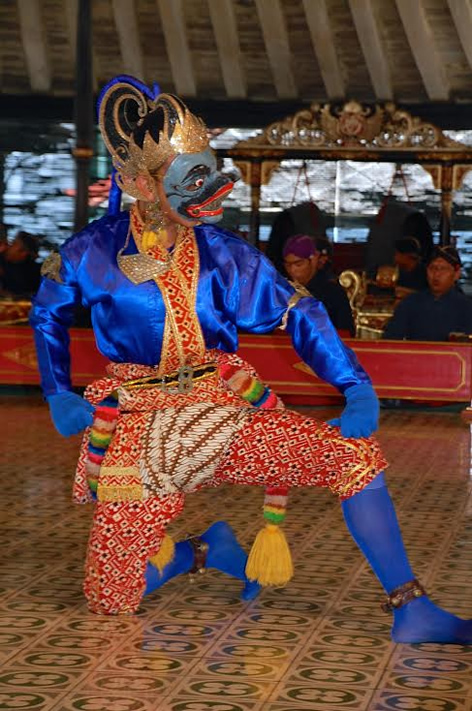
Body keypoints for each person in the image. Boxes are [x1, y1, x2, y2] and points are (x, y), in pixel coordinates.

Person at [30, 75, 472, 643]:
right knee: (109, 599)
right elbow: (46, 313)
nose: (216, 186)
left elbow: (299, 311)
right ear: (141, 182)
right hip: (137, 427)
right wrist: (57, 391)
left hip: (221, 410)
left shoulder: (225, 253)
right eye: (195, 177)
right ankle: (204, 550)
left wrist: (354, 384)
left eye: (211, 170)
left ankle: (411, 607)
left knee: (352, 457)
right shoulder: (91, 251)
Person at [384, 246, 472, 341]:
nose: (436, 274)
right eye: (432, 268)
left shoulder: (466, 307)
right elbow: (391, 339)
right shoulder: (410, 303)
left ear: (456, 274)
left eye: (443, 269)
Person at [282, 233, 355, 336]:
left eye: (298, 264)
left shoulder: (333, 293)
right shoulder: (283, 290)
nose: (292, 270)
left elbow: (345, 333)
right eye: (288, 265)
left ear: (314, 260)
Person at [0, 230, 41, 297]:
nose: (8, 247)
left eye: (14, 244)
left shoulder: (32, 273)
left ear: (23, 253)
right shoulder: (3, 259)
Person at [393, 236, 428, 300]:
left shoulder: (425, 273)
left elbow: (428, 296)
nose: (395, 257)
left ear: (408, 255)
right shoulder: (398, 271)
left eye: (397, 254)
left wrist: (404, 291)